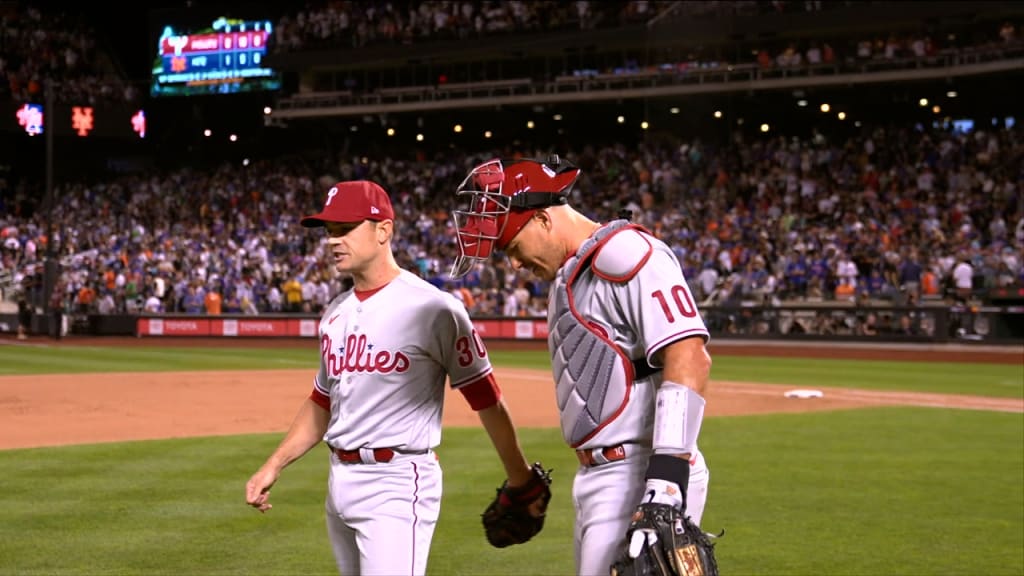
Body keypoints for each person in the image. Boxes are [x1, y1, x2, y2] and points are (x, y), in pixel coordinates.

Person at [245, 180, 544, 576]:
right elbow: (322, 400)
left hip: (397, 483)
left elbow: (486, 399)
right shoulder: (335, 313)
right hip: (339, 481)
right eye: (329, 231)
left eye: (345, 228)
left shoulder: (435, 309)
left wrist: (521, 480)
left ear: (383, 230)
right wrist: (275, 464)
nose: (333, 240)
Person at [449, 156, 713, 576]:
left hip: (640, 472)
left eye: (513, 247)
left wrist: (665, 481)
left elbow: (689, 354)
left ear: (542, 219)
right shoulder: (572, 274)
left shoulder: (627, 253)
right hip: (600, 475)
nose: (513, 265)